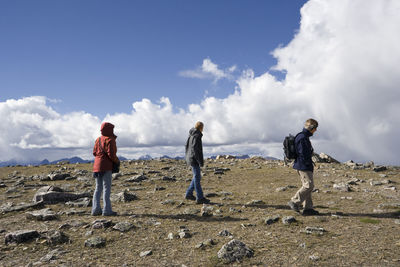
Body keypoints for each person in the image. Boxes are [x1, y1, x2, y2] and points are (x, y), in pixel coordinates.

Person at [288, 118, 319, 216]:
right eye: (315, 128)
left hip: (303, 165)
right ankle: (294, 201)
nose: (316, 130)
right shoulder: (302, 138)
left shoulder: (303, 136)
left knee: (307, 187)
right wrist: (307, 163)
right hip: (303, 166)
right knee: (309, 185)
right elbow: (303, 153)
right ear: (311, 127)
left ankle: (308, 208)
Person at [92, 122, 120, 216]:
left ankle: (95, 210)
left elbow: (94, 152)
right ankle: (107, 210)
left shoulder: (98, 139)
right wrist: (116, 161)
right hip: (106, 166)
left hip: (96, 167)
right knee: (106, 188)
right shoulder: (110, 140)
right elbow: (111, 154)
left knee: (98, 188)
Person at [184, 121, 210, 204]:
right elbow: (196, 150)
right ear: (201, 128)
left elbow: (187, 146)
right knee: (197, 177)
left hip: (190, 158)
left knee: (196, 176)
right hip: (194, 159)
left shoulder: (191, 134)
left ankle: (189, 194)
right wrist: (200, 161)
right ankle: (200, 197)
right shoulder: (197, 135)